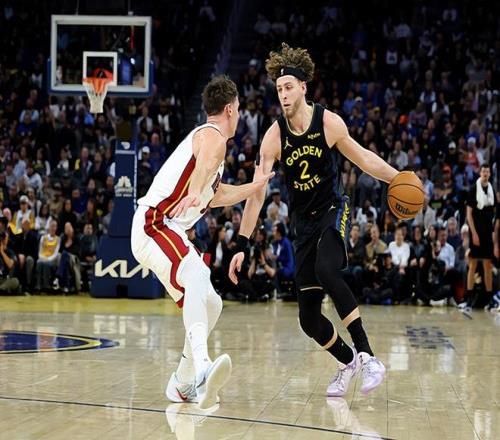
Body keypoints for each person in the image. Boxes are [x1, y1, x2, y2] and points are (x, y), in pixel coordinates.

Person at [229, 44, 400, 397]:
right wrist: (241, 244)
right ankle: (348, 361)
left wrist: (398, 178)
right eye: (279, 88)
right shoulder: (274, 137)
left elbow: (364, 159)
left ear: (303, 87)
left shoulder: (328, 122)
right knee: (308, 319)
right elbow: (257, 194)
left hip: (332, 211)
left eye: (289, 87)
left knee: (327, 270)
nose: (283, 94)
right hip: (303, 225)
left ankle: (368, 355)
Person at [131, 75, 274, 409]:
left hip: (165, 231)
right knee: (196, 273)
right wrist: (195, 189)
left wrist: (253, 188)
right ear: (229, 109)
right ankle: (203, 367)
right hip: (155, 223)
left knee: (212, 304)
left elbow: (218, 194)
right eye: (238, 108)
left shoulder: (212, 149)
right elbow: (204, 164)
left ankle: (182, 384)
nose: (239, 114)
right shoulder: (212, 136)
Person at [464, 164, 495, 309]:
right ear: (480, 173)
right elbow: (469, 215)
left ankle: (489, 299)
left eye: (487, 171)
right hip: (476, 233)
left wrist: (493, 234)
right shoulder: (473, 189)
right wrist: (474, 234)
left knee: (488, 265)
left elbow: (494, 214)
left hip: (488, 234)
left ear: (490, 174)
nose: (485, 173)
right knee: (473, 264)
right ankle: (468, 298)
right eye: (483, 171)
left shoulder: (491, 190)